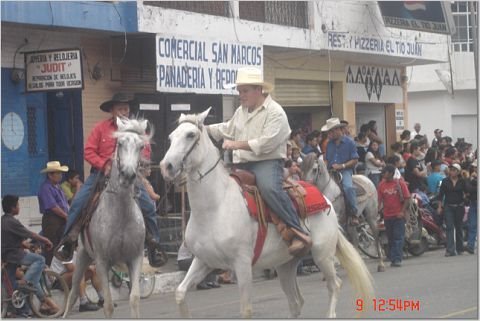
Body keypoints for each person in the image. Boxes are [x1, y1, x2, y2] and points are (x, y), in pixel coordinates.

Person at [207, 67, 312, 256]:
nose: (241, 95)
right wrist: (204, 128)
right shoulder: (241, 111)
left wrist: (235, 144)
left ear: (259, 90)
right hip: (243, 164)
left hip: (266, 162)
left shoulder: (276, 113)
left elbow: (265, 144)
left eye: (245, 91)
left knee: (270, 188)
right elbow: (227, 128)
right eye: (239, 91)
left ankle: (298, 231)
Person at [55, 93, 165, 267]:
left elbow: (146, 151)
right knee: (79, 203)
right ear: (112, 110)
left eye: (126, 108)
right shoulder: (100, 128)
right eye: (120, 108)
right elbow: (88, 151)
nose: (124, 111)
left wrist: (137, 165)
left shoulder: (137, 129)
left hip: (129, 175)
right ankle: (68, 242)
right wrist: (104, 165)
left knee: (148, 205)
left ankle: (154, 246)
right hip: (100, 174)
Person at [1, 195, 60, 315]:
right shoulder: (12, 222)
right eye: (18, 205)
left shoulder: (3, 221)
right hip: (14, 255)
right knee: (40, 260)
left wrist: (31, 246)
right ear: (13, 208)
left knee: (20, 283)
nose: (19, 207)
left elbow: (19, 240)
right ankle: (25, 283)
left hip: (7, 256)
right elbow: (29, 234)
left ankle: (23, 309)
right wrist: (45, 240)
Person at [323, 117, 360, 225]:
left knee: (348, 187)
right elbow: (327, 159)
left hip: (345, 171)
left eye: (330, 132)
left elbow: (355, 159)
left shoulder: (350, 142)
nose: (329, 134)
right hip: (331, 171)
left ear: (336, 130)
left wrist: (342, 166)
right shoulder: (329, 144)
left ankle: (354, 214)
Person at [377, 165, 411, 267]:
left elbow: (407, 198)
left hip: (398, 216)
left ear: (391, 173)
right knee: (390, 238)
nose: (383, 174)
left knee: (398, 237)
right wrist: (377, 212)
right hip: (387, 216)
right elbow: (379, 200)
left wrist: (402, 212)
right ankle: (393, 258)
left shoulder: (400, 183)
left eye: (385, 172)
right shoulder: (381, 185)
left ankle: (397, 259)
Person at [37, 161, 70, 266]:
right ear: (50, 175)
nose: (60, 175)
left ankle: (60, 269)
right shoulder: (46, 188)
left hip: (62, 220)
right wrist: (66, 216)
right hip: (52, 220)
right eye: (58, 173)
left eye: (60, 173)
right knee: (51, 246)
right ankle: (49, 270)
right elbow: (53, 207)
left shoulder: (58, 187)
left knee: (62, 244)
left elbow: (65, 203)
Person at [437, 163, 467, 257]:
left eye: (454, 170)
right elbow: (441, 195)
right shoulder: (445, 181)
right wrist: (439, 206)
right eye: (451, 170)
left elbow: (467, 192)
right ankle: (450, 250)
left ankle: (460, 249)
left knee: (459, 227)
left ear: (458, 172)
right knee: (449, 227)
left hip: (459, 206)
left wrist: (466, 197)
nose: (452, 172)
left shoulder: (462, 181)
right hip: (448, 206)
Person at [465, 163, 477, 254]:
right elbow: (468, 189)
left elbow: (472, 190)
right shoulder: (472, 179)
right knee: (472, 225)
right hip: (473, 203)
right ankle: (471, 245)